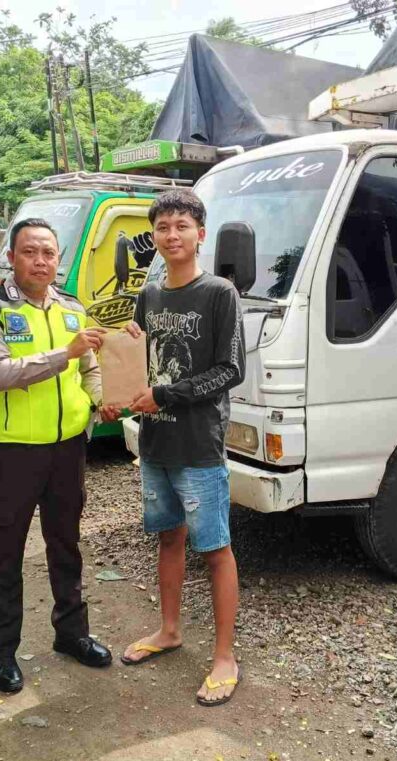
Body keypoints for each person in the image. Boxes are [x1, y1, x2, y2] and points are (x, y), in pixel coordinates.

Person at [0, 217, 120, 693]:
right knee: (4, 551)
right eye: (30, 252)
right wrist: (64, 354)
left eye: (48, 252)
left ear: (58, 259)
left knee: (66, 544)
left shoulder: (72, 308)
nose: (40, 261)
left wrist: (99, 401)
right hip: (13, 451)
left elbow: (90, 367)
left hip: (68, 449)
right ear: (11, 257)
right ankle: (1, 652)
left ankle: (72, 634)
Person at [120, 189, 246, 706]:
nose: (171, 235)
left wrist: (166, 394)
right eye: (163, 227)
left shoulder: (219, 293)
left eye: (182, 226)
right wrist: (124, 357)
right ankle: (169, 631)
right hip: (156, 443)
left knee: (214, 550)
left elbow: (230, 370)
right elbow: (139, 362)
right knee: (168, 539)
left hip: (198, 447)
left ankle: (225, 656)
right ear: (153, 236)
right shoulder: (149, 296)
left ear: (200, 233)